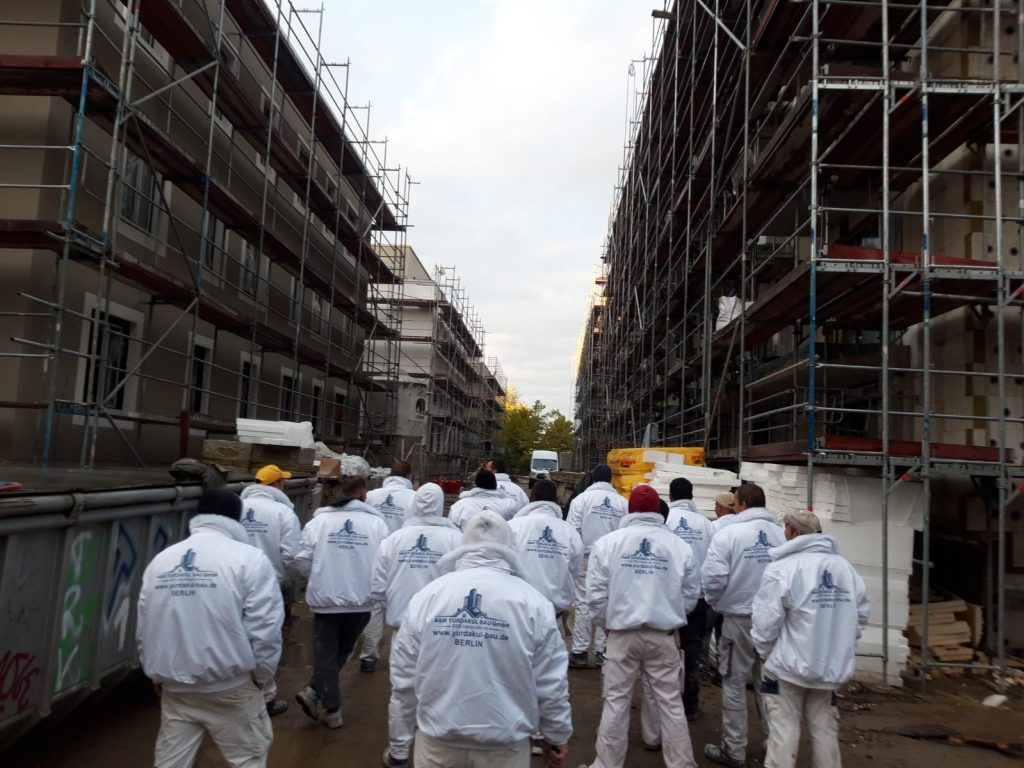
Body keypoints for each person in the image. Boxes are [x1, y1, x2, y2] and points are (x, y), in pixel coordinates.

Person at [390, 510, 573, 768]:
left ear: (464, 543)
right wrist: (556, 735)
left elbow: (404, 677)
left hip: (438, 745)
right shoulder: (534, 603)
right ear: (509, 545)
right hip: (505, 749)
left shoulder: (428, 597)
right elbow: (551, 682)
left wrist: (399, 741)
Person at [137, 489, 283, 768]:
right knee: (248, 759)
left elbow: (146, 622)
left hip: (176, 686)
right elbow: (265, 626)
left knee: (171, 762)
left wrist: (154, 671)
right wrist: (262, 676)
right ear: (236, 519)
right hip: (230, 686)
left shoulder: (162, 560)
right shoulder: (250, 559)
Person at [579, 485, 699, 768]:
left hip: (621, 634)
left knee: (616, 701)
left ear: (630, 509)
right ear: (658, 510)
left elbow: (595, 595)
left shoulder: (608, 544)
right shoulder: (679, 547)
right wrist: (670, 614)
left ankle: (606, 764)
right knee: (670, 702)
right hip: (663, 635)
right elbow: (690, 595)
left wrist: (606, 623)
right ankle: (681, 763)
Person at [752, 511, 869, 768]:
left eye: (786, 528)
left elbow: (765, 622)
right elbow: (860, 616)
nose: (784, 533)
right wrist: (838, 648)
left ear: (795, 532)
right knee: (825, 729)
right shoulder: (845, 569)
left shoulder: (783, 569)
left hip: (787, 667)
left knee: (784, 730)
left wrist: (766, 653)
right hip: (829, 669)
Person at [375, 483, 463, 768]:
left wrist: (396, 602)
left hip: (403, 628)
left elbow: (377, 588)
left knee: (403, 691)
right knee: (444, 688)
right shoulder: (456, 540)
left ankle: (399, 752)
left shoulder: (393, 540)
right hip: (444, 631)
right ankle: (440, 747)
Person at [294, 475, 389, 728]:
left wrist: (318, 578)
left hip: (325, 600)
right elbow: (383, 563)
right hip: (361, 601)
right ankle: (332, 707)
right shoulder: (377, 525)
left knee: (326, 653)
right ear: (363, 494)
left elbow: (302, 559)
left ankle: (316, 692)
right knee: (343, 650)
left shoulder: (319, 522)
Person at [701, 483, 786, 768]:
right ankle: (776, 746)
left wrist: (715, 602)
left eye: (735, 502)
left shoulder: (729, 534)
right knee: (769, 683)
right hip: (773, 620)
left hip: (738, 618)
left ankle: (734, 748)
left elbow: (714, 578)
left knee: (734, 682)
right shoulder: (782, 535)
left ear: (742, 504)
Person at [641, 476, 714, 742]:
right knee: (691, 651)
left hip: (664, 600)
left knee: (662, 660)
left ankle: (659, 712)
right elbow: (712, 561)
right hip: (696, 599)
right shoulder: (706, 524)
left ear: (670, 496)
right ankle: (690, 704)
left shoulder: (664, 521)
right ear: (691, 495)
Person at [239, 464, 301, 716]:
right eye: (282, 482)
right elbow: (290, 554)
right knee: (265, 637)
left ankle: (232, 689)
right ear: (276, 485)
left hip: (232, 582)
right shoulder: (283, 513)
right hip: (268, 583)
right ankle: (264, 696)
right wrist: (288, 580)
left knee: (234, 634)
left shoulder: (236, 507)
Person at [565, 463, 628, 667]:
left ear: (592, 478)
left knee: (584, 602)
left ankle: (580, 651)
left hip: (587, 556)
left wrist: (575, 558)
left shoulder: (581, 500)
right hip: (612, 558)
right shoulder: (622, 502)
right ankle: (603, 650)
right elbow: (626, 532)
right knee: (608, 600)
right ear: (611, 479)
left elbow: (573, 531)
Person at [360, 461, 418, 673]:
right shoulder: (414, 498)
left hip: (374, 555)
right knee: (404, 607)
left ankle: (368, 656)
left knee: (375, 605)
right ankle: (400, 659)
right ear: (409, 477)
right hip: (403, 557)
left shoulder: (372, 495)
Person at [508, 478, 584, 615]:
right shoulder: (570, 532)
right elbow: (573, 572)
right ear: (557, 499)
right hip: (554, 613)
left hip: (519, 612)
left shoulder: (512, 527)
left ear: (531, 498)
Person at [449, 468, 517, 527]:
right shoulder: (509, 504)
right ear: (495, 483)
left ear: (476, 483)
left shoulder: (460, 505)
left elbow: (453, 529)